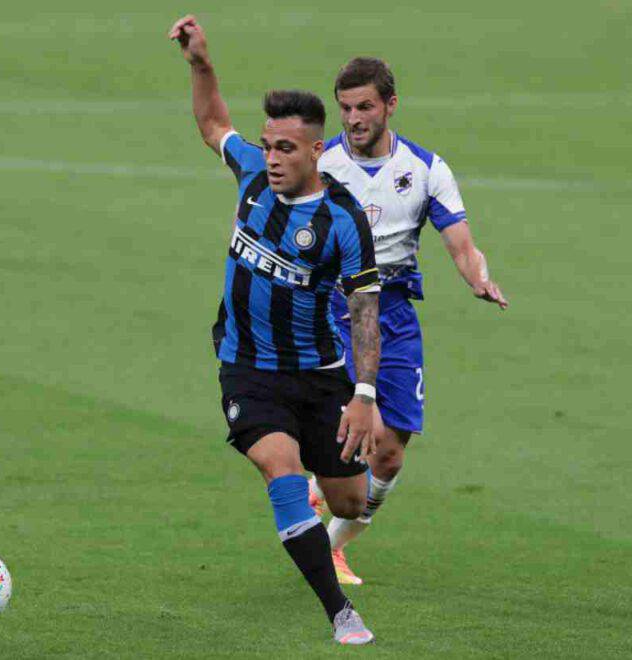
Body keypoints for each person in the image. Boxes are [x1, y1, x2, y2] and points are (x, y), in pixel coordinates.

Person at [168, 15, 383, 644]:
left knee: (349, 502)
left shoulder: (342, 219)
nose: (273, 158)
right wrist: (200, 64)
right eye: (268, 145)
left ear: (317, 150)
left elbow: (364, 310)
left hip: (320, 378)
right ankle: (340, 612)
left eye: (286, 148)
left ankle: (321, 504)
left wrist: (364, 396)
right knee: (280, 472)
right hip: (247, 370)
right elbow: (213, 125)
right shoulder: (253, 177)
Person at [311, 57, 509, 585]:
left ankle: (330, 544)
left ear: (390, 106)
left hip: (394, 312)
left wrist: (478, 278)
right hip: (333, 307)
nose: (353, 119)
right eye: (346, 108)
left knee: (391, 456)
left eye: (365, 108)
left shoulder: (425, 169)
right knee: (360, 431)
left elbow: (461, 243)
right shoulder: (322, 163)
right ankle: (319, 488)